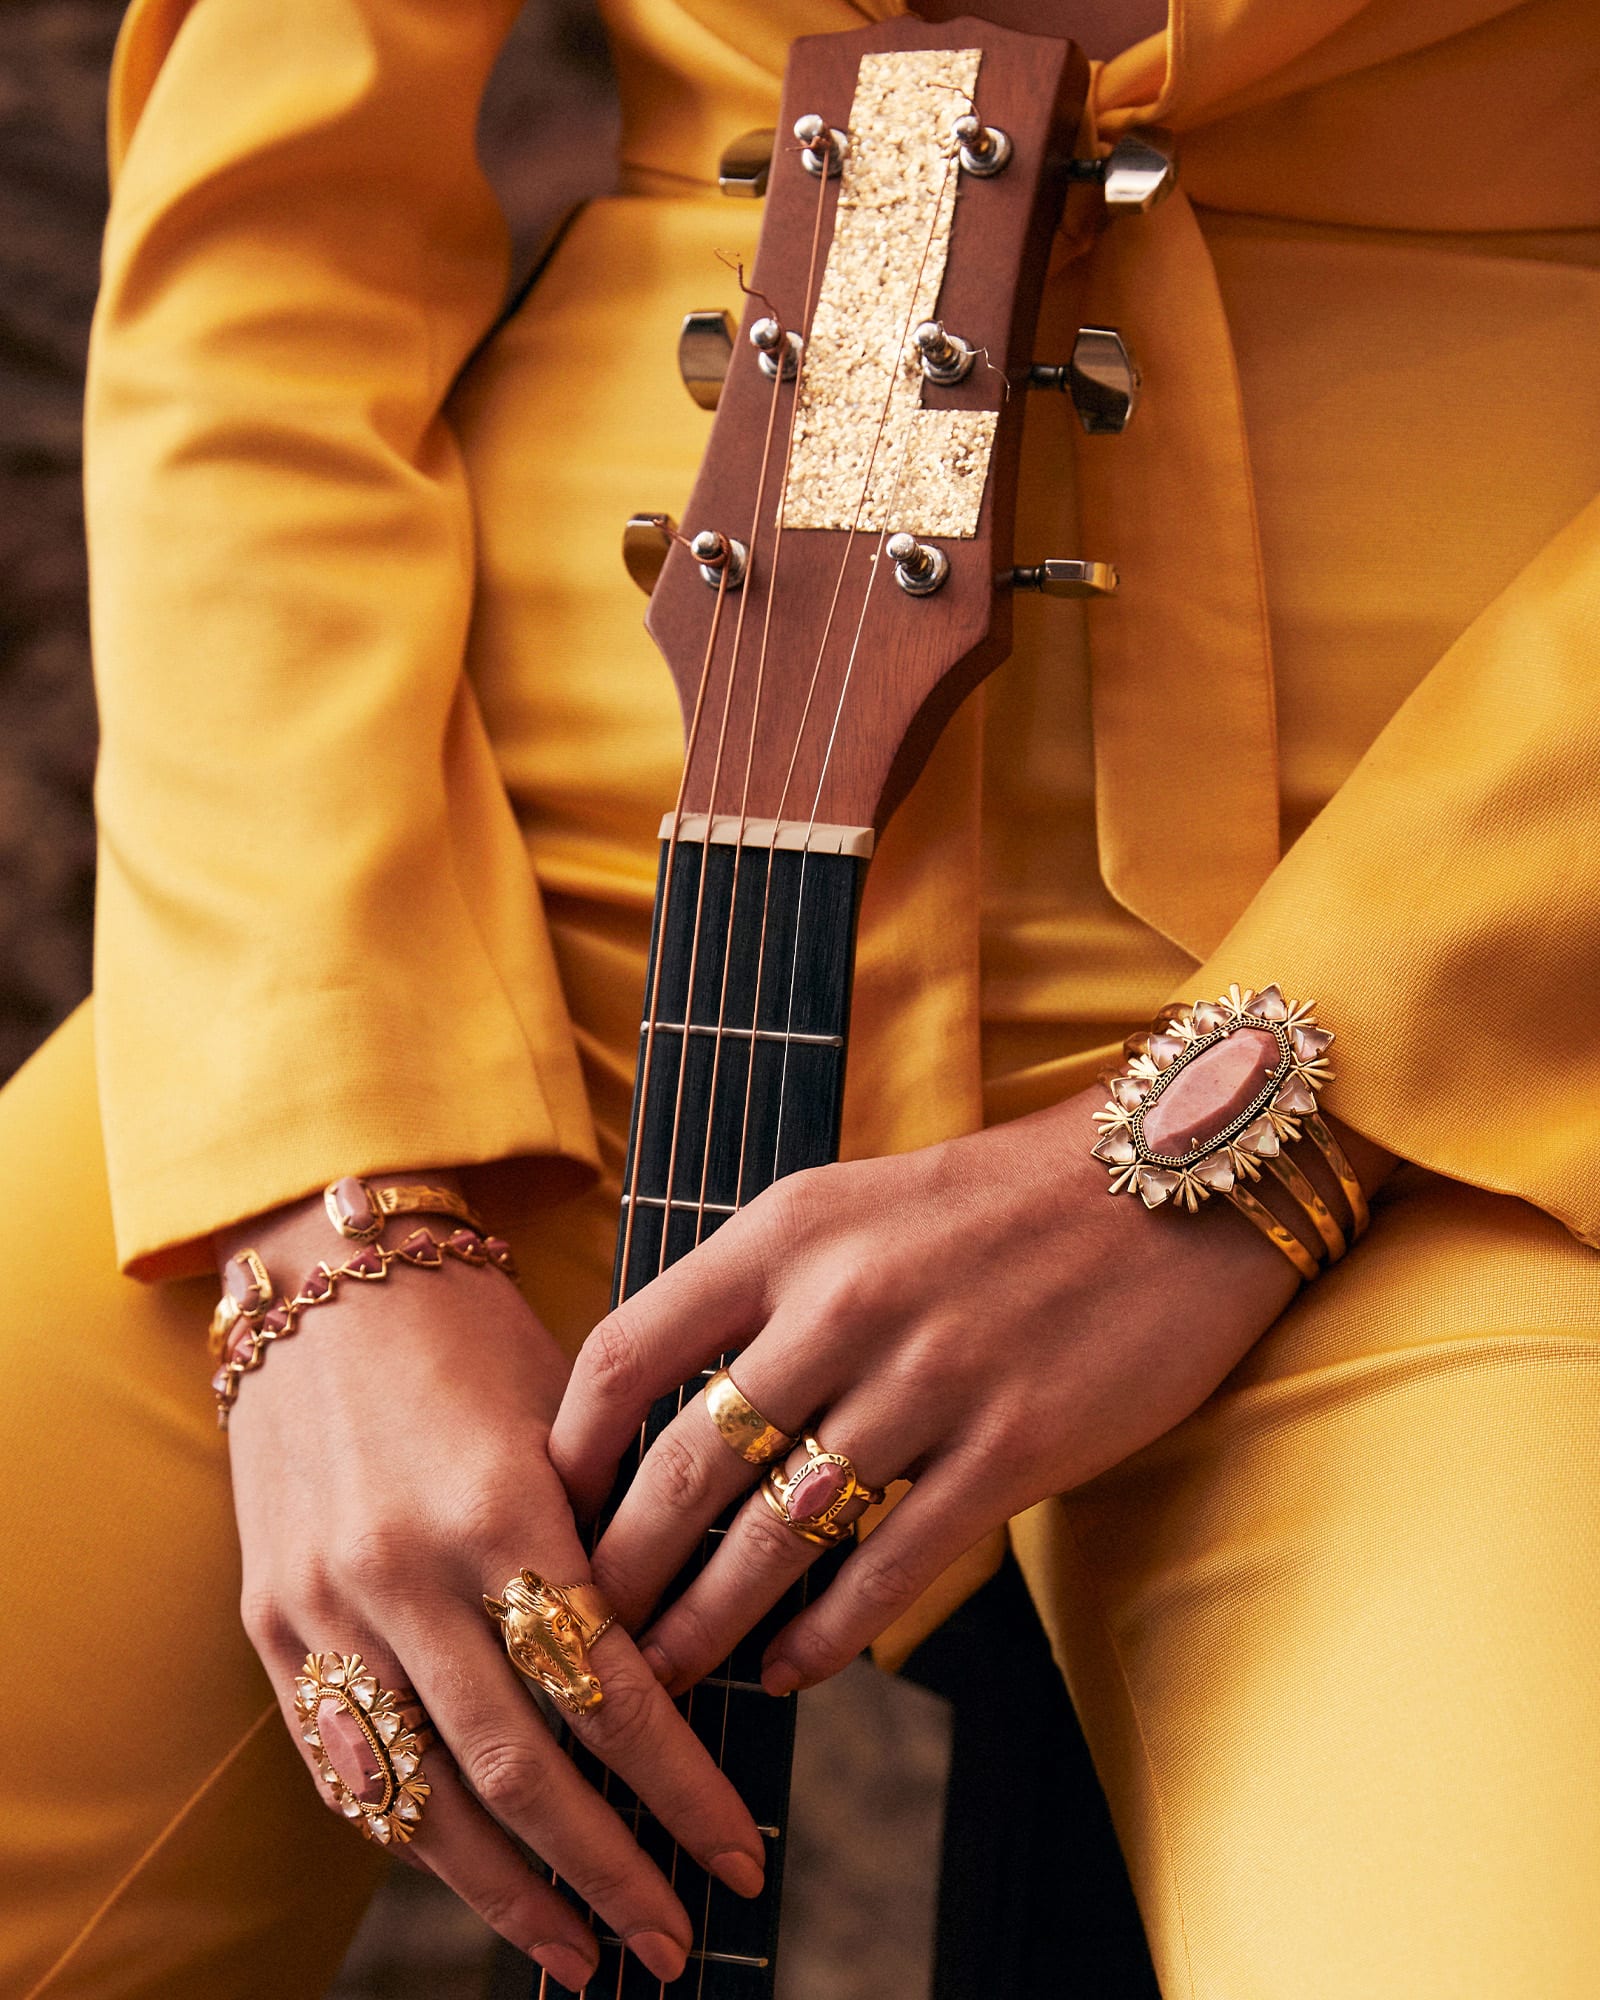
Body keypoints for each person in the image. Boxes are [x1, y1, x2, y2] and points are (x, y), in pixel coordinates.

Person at [4, 0, 1598, 1994]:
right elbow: (266, 247)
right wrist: (322, 1193)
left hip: (1428, 1031)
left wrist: (1266, 1117)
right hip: (474, 920)